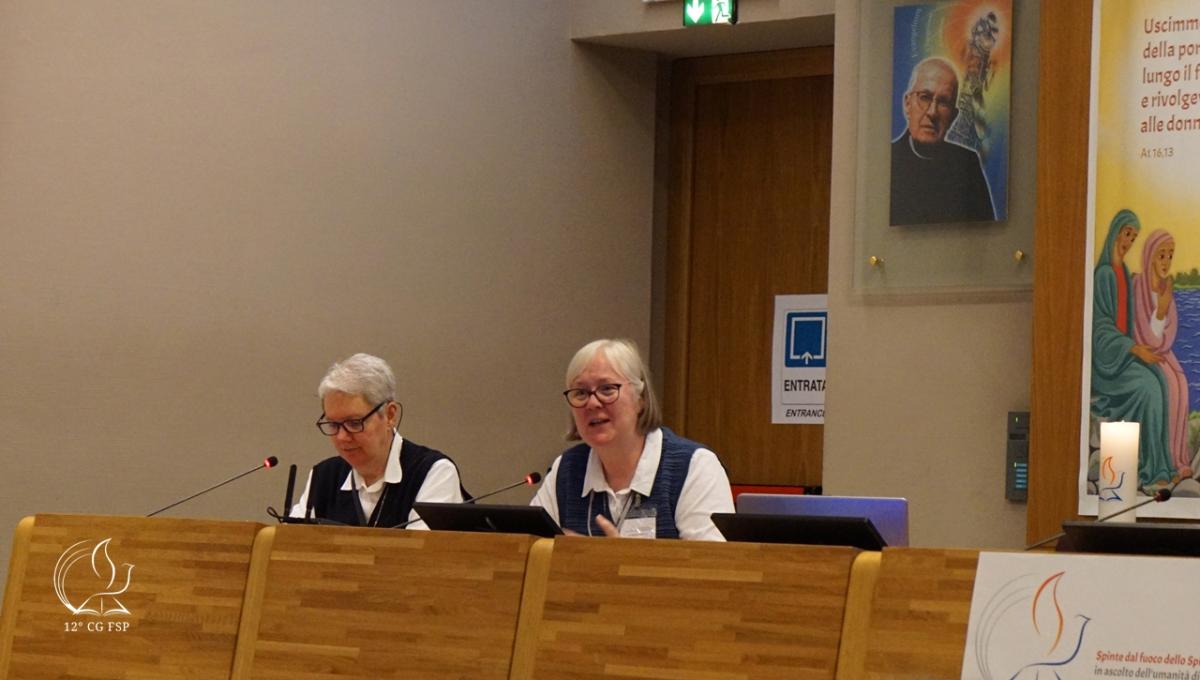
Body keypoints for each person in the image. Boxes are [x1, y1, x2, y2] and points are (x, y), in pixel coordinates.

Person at [531, 338, 734, 540]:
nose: (592, 403)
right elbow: (528, 546)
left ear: (641, 398)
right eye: (581, 393)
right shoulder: (566, 469)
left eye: (607, 389)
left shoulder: (695, 466)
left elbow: (712, 559)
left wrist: (616, 557)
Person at [291, 353, 465, 527]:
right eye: (333, 424)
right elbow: (291, 540)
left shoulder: (434, 472)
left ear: (390, 415)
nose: (342, 437)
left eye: (354, 423)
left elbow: (420, 544)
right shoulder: (323, 476)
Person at [1091, 210, 1174, 489]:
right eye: (1127, 233)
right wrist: (1134, 349)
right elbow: (1101, 331)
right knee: (1149, 387)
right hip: (1107, 364)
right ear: (1115, 231)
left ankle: (1162, 464)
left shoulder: (1124, 273)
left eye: (1134, 237)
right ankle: (1152, 469)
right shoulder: (1104, 274)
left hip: (1122, 356)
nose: (1128, 241)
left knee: (1160, 379)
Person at [890, 57, 996, 225]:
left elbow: (986, 234)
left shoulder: (967, 164)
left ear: (953, 116)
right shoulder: (888, 160)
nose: (932, 112)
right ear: (907, 104)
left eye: (943, 102)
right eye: (925, 97)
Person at [1133, 229, 1192, 479]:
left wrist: (1165, 308)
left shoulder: (1166, 290)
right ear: (1150, 257)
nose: (1166, 262)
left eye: (1170, 255)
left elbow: (1169, 332)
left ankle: (1179, 460)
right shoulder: (1139, 286)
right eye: (1161, 255)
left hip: (1163, 353)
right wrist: (1160, 311)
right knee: (1169, 387)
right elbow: (1143, 334)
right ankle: (1165, 462)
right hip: (1143, 354)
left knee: (1182, 384)